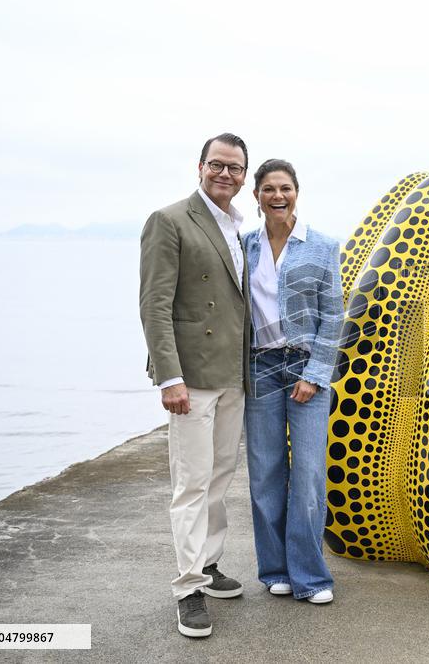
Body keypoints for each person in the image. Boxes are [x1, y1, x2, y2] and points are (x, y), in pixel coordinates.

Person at [139, 133, 251, 638]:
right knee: (191, 483)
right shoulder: (169, 220)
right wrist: (169, 378)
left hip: (232, 374)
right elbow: (154, 305)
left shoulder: (238, 226)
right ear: (200, 167)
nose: (225, 174)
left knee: (221, 477)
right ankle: (187, 588)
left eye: (235, 168)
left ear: (244, 176)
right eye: (218, 165)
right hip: (191, 378)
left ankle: (207, 565)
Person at [243, 159, 344, 604]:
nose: (277, 196)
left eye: (284, 188)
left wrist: (316, 374)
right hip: (260, 368)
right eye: (268, 189)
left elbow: (335, 316)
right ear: (257, 196)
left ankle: (311, 576)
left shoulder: (321, 246)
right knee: (265, 473)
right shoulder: (243, 245)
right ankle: (275, 570)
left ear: (296, 193)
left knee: (307, 475)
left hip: (305, 367)